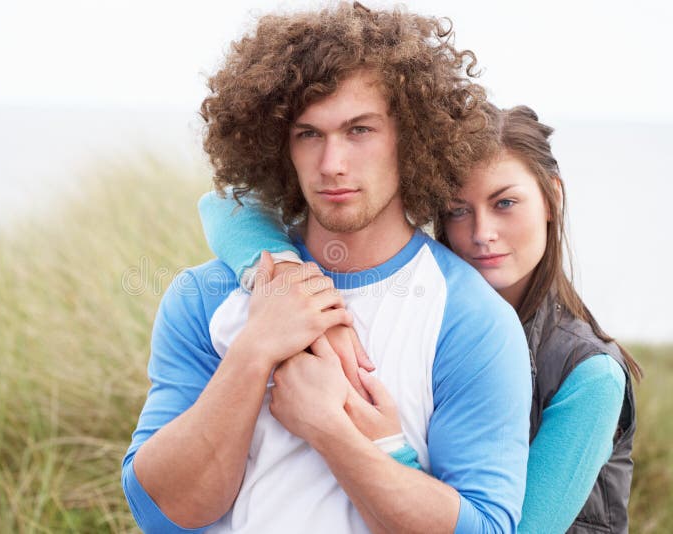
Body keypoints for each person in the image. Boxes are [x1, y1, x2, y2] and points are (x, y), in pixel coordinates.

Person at [122, 3, 532, 533]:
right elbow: (161, 512)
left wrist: (329, 429)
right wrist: (254, 351)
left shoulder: (471, 318)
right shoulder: (205, 296)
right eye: (308, 133)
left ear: (410, 138)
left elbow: (487, 527)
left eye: (359, 130)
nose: (332, 163)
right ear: (278, 146)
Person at [198, 102, 641, 533]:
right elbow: (223, 205)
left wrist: (388, 449)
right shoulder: (438, 308)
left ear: (551, 198)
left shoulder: (591, 375)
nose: (481, 233)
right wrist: (294, 282)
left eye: (505, 203)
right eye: (457, 210)